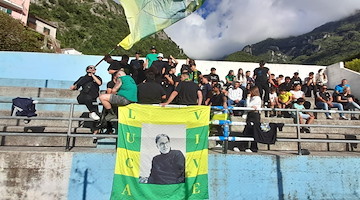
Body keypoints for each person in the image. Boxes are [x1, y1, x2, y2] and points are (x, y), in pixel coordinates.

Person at [233, 86, 262, 153]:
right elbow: (247, 105)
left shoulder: (257, 98)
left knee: (252, 131)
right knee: (247, 131)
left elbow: (248, 106)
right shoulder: (252, 98)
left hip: (254, 115)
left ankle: (253, 148)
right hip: (250, 115)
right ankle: (243, 146)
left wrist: (248, 98)